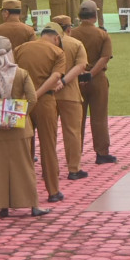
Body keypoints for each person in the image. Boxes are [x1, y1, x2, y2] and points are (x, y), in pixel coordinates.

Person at [0, 36, 47, 218]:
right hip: (20, 129)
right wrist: (13, 117)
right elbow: (32, 99)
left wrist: (1, 118)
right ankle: (33, 205)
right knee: (25, 167)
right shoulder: (21, 73)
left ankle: (3, 206)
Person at [14, 23, 69, 203]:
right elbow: (55, 78)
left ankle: (25, 192)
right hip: (44, 100)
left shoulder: (20, 49)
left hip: (23, 102)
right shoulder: (57, 52)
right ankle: (53, 190)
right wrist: (36, 95)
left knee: (24, 148)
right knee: (48, 147)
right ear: (57, 38)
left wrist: (28, 97)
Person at [68, 0, 116, 165]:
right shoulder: (102, 34)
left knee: (76, 119)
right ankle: (102, 152)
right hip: (97, 79)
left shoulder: (71, 34)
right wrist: (91, 74)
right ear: (95, 16)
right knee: (99, 117)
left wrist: (81, 73)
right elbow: (104, 57)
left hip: (75, 79)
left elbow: (68, 57)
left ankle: (75, 153)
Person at [52, 15, 88, 180]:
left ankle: (50, 170)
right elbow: (81, 66)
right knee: (72, 132)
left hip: (48, 94)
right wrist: (64, 81)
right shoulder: (75, 44)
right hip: (70, 93)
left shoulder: (42, 45)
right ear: (69, 28)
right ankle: (74, 169)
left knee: (48, 135)